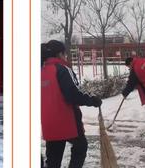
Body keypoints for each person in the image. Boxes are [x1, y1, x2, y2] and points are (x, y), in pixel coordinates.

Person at [41, 40, 102, 168]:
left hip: (48, 122)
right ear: (60, 54)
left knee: (53, 159)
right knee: (80, 146)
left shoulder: (41, 71)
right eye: (64, 53)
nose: (66, 56)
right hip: (66, 120)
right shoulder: (62, 69)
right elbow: (73, 94)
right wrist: (93, 100)